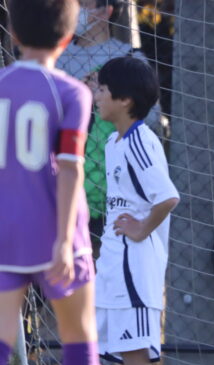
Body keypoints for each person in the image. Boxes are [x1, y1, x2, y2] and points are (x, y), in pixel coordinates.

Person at [33, 56, 179, 365]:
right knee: (87, 347)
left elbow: (168, 196)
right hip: (113, 263)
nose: (95, 96)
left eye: (101, 89)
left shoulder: (141, 141)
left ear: (124, 99)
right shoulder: (115, 142)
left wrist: (143, 228)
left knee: (135, 355)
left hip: (136, 265)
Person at [0, 0, 122, 365]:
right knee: (80, 335)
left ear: (13, 34)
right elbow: (70, 167)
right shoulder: (71, 91)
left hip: (5, 231)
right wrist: (62, 241)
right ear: (68, 37)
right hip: (57, 231)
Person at [57, 0, 160, 245]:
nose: (75, 10)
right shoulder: (55, 59)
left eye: (83, 4)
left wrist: (110, 97)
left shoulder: (131, 58)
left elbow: (153, 117)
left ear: (106, 11)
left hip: (117, 182)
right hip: (65, 175)